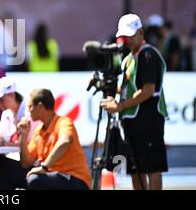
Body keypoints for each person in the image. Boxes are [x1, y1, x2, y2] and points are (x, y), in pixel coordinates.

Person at [101, 13, 168, 190]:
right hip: (132, 121)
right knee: (135, 169)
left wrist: (120, 106)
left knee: (152, 168)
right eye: (125, 35)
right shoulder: (129, 59)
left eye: (131, 35)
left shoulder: (147, 55)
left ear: (141, 32)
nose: (127, 39)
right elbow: (126, 89)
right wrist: (105, 86)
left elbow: (148, 90)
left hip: (149, 120)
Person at [18, 88, 91, 190]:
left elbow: (65, 141)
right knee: (13, 173)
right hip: (55, 177)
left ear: (40, 107)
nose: (28, 111)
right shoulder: (39, 130)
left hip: (76, 180)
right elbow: (26, 162)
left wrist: (44, 167)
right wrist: (23, 135)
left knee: (34, 180)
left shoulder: (64, 122)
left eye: (30, 106)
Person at [0, 77, 41, 190]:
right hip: (17, 162)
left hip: (33, 165)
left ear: (11, 95)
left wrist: (6, 143)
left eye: (1, 99)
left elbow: (30, 147)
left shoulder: (30, 114)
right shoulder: (7, 114)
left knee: (2, 171)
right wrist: (5, 143)